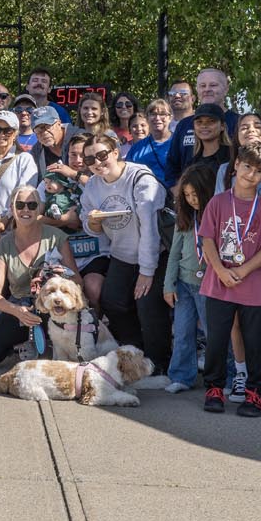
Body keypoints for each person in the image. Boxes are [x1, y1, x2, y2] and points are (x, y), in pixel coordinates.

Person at [198, 142, 261, 418]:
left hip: (252, 284)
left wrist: (243, 271)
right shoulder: (219, 202)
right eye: (247, 166)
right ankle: (214, 389)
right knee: (217, 339)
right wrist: (221, 270)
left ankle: (257, 394)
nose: (251, 174)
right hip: (218, 281)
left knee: (256, 340)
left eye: (259, 171)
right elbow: (207, 238)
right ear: (236, 165)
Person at [80, 132, 171, 374]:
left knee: (148, 306)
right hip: (121, 254)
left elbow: (151, 230)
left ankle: (159, 364)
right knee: (113, 301)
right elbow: (88, 223)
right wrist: (94, 224)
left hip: (154, 254)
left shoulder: (140, 179)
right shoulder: (92, 185)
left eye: (101, 155)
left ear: (115, 152)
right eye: (90, 160)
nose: (97, 163)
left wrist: (146, 272)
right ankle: (134, 352)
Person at [216, 113, 261, 398]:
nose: (250, 130)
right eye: (243, 127)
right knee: (235, 319)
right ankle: (241, 374)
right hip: (231, 261)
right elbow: (216, 216)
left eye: (256, 126)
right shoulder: (224, 170)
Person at [0, 184, 79, 371]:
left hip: (53, 306)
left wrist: (55, 277)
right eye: (20, 205)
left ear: (40, 209)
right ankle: (20, 342)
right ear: (12, 208)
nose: (25, 210)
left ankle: (42, 343)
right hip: (20, 306)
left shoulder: (57, 237)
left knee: (55, 364)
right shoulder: (3, 244)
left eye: (32, 205)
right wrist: (16, 311)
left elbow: (77, 281)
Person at [164, 162, 218, 393]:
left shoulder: (217, 215)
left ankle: (221, 377)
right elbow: (174, 252)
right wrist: (169, 284)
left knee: (214, 333)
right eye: (186, 195)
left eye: (195, 194)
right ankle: (181, 376)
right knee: (183, 332)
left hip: (209, 284)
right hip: (185, 285)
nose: (192, 200)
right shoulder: (185, 218)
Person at [165, 69, 239, 186]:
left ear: (226, 89)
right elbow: (172, 166)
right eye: (202, 86)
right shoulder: (184, 125)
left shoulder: (239, 123)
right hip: (190, 199)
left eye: (213, 85)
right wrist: (177, 192)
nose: (207, 89)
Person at [124, 98, 175, 188]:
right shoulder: (137, 148)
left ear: (170, 117)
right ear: (147, 118)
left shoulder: (178, 142)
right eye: (153, 114)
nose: (157, 118)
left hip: (174, 196)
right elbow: (127, 176)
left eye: (162, 114)